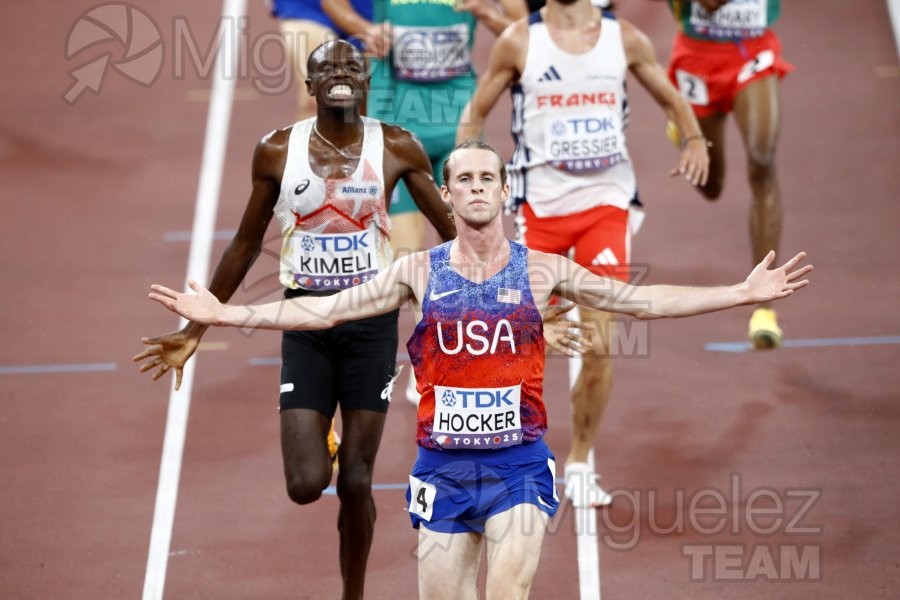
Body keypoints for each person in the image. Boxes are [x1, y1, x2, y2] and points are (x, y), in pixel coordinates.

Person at [145, 140, 811, 599]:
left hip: (518, 465)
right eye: (462, 178)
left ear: (502, 189)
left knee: (509, 588)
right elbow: (320, 314)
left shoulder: (540, 269)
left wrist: (740, 294)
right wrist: (221, 316)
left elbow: (640, 301)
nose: (475, 187)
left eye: (486, 178)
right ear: (447, 192)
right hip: (441, 468)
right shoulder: (416, 272)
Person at [134, 40, 455, 600]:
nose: (339, 74)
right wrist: (195, 330)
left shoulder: (399, 147)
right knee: (307, 486)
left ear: (365, 82)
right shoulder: (278, 151)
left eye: (350, 67)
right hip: (304, 321)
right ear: (309, 86)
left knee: (357, 480)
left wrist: (505, 285)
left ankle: (352, 593)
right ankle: (321, 443)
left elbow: (453, 233)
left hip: (369, 322)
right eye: (325, 68)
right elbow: (243, 243)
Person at [456, 0, 709, 506]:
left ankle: (579, 463)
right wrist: (470, 183)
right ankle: (501, 451)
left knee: (597, 344)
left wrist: (695, 138)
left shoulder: (625, 38)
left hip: (605, 205)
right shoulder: (519, 42)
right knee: (512, 338)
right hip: (540, 211)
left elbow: (668, 93)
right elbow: (475, 113)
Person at [323, 0, 528, 406]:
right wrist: (362, 27)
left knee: (465, 246)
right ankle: (428, 358)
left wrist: (486, 13)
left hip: (457, 121)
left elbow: (524, 26)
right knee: (406, 250)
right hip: (397, 122)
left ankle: (471, 348)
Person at [660, 0, 793, 348]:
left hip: (753, 48)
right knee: (711, 185)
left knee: (763, 161)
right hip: (697, 55)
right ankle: (685, 134)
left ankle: (764, 308)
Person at [270, 0, 374, 120]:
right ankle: (310, 135)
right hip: (310, 9)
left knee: (370, 103)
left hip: (372, 11)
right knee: (319, 99)